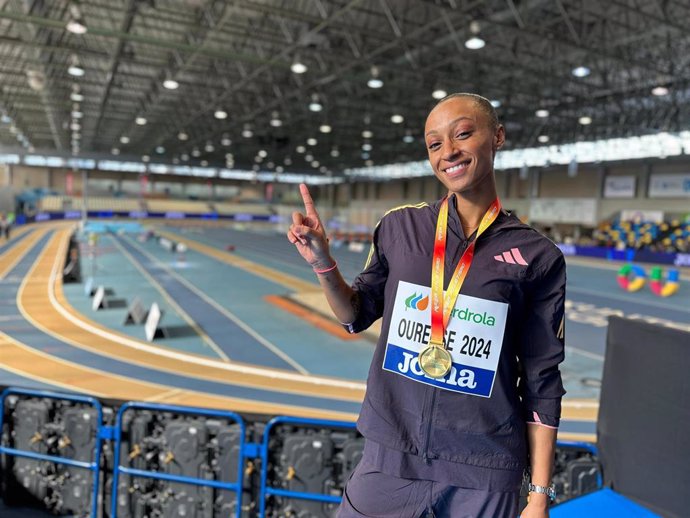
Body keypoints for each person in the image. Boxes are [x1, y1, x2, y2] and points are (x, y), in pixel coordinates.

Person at [288, 93, 566, 518]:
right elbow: (355, 314)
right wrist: (324, 264)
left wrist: (539, 495)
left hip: (484, 474)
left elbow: (542, 381)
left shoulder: (537, 254)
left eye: (463, 134)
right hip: (390, 460)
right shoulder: (401, 227)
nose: (448, 152)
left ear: (497, 137)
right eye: (434, 144)